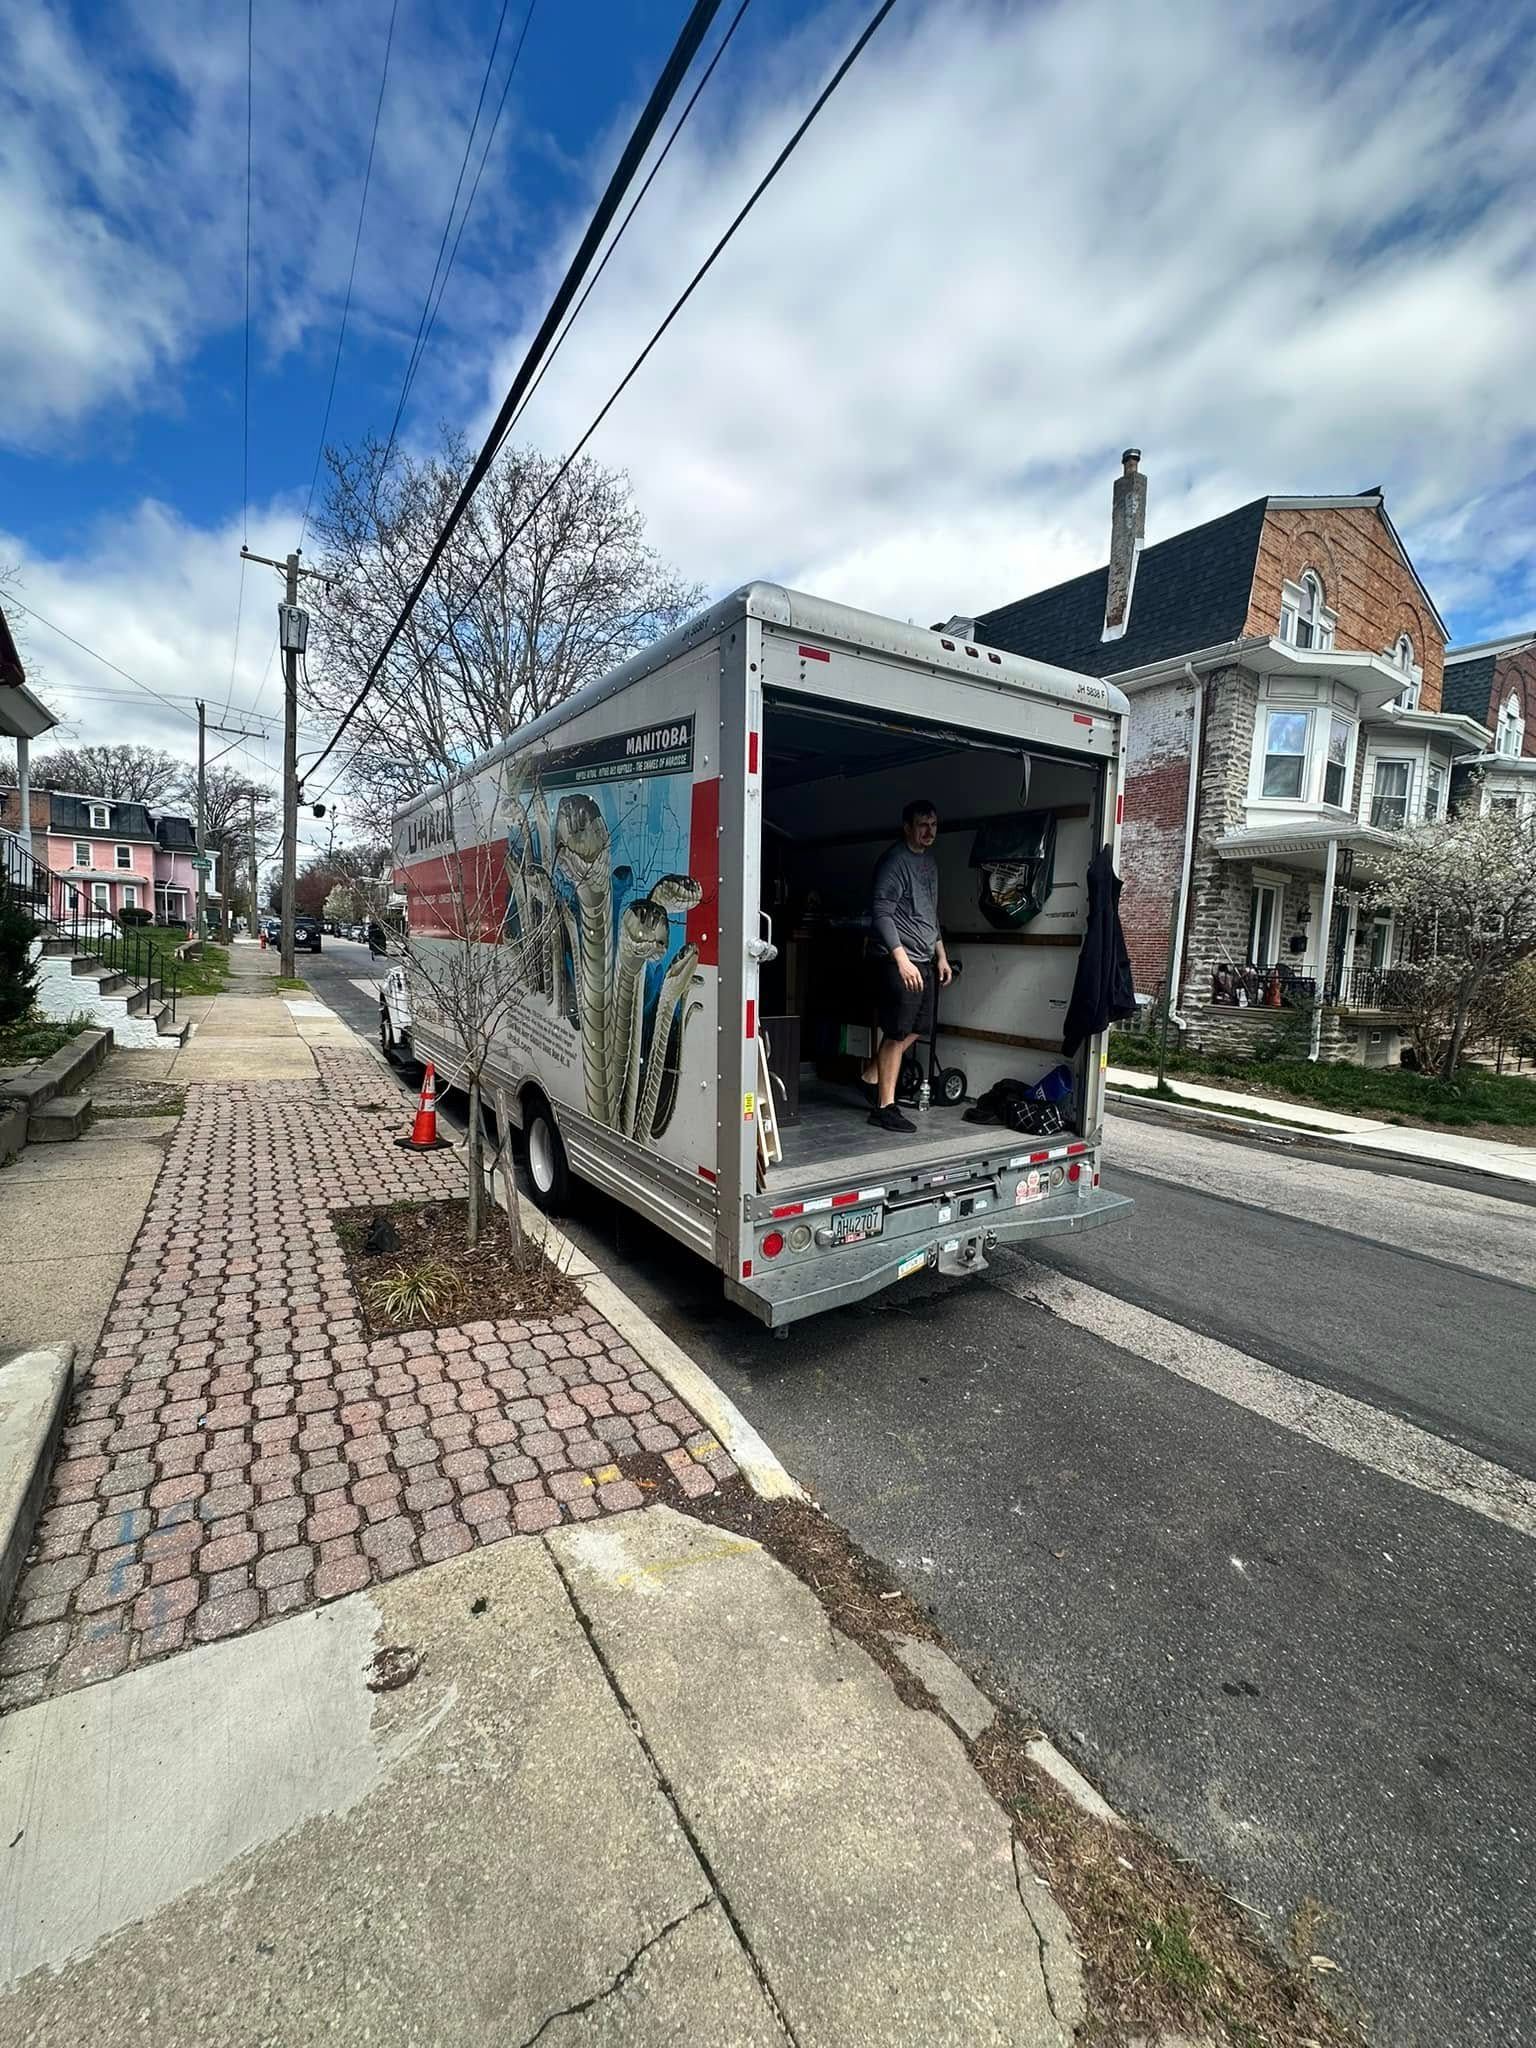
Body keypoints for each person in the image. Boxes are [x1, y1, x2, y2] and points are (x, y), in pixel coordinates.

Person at [861, 798, 951, 1133]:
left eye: (933, 825)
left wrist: (941, 955)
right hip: (900, 961)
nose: (929, 831)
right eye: (922, 825)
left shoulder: (929, 863)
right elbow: (882, 913)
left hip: (924, 959)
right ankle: (884, 1107)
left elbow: (931, 914)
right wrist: (901, 960)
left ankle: (872, 1075)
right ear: (907, 827)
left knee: (920, 1026)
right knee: (897, 1031)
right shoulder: (895, 862)